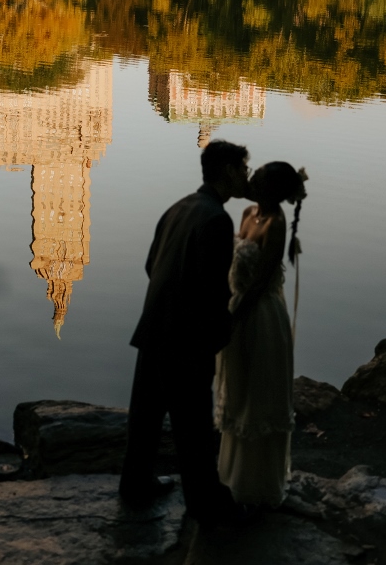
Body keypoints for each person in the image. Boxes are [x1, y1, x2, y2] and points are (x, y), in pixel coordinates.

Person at [120, 140, 250, 523]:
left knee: (145, 417)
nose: (247, 175)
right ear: (229, 171)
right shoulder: (217, 219)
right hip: (185, 337)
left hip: (153, 326)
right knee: (193, 425)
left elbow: (151, 264)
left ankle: (135, 484)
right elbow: (212, 288)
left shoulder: (179, 207)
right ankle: (206, 505)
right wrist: (222, 331)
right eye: (243, 168)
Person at [214, 161, 306, 507]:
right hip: (236, 306)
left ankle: (259, 485)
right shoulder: (246, 213)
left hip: (260, 317)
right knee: (237, 391)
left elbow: (263, 280)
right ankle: (231, 476)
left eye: (258, 180)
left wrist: (234, 316)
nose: (250, 182)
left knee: (258, 396)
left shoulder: (276, 223)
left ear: (273, 191)